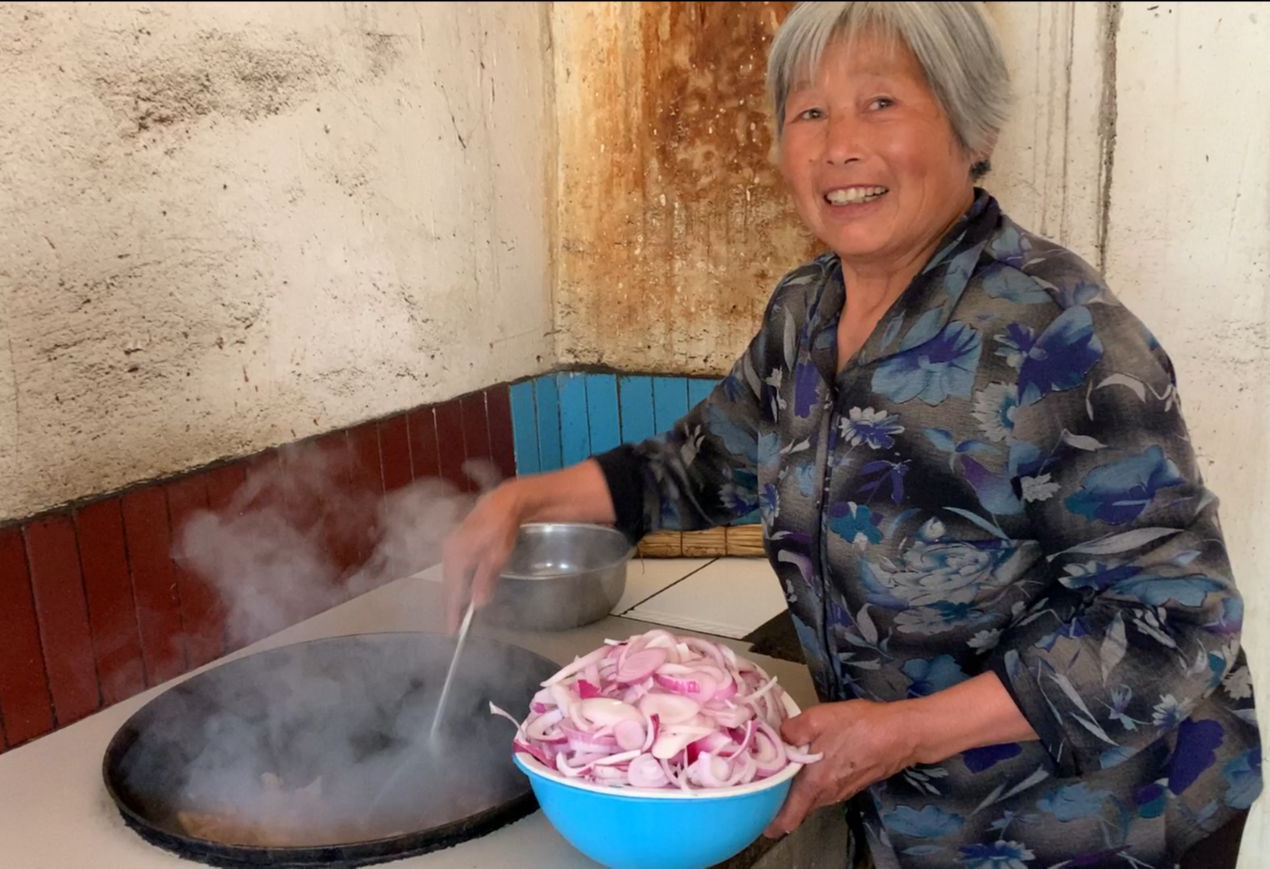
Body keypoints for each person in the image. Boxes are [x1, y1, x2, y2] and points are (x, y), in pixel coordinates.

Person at [442, 2, 1261, 865]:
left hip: (1105, 824)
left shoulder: (1059, 333)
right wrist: (519, 500)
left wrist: (906, 732)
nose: (838, 145)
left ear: (971, 128)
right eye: (808, 111)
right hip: (912, 809)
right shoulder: (805, 311)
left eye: (881, 103)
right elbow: (695, 467)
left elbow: (1175, 623)